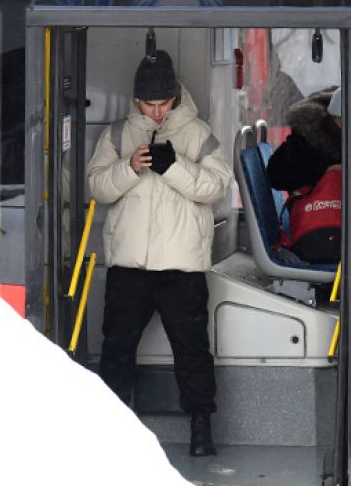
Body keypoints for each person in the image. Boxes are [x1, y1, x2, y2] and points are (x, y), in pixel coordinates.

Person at [87, 49, 232, 457]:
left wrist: (174, 167)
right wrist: (130, 167)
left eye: (163, 103)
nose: (155, 112)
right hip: (128, 266)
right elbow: (97, 188)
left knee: (192, 352)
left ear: (175, 98)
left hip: (182, 268)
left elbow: (217, 188)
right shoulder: (116, 135)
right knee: (116, 349)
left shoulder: (199, 133)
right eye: (148, 104)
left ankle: (202, 429)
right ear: (136, 100)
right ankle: (112, 431)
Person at [265, 87, 345, 263]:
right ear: (338, 120)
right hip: (321, 235)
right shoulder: (310, 140)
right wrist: (325, 172)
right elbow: (275, 175)